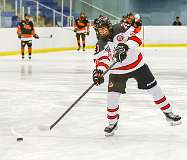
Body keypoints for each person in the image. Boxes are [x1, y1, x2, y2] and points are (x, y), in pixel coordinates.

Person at [92, 14, 182, 137]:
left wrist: (125, 46)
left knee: (155, 89)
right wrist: (99, 72)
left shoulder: (121, 27)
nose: (101, 32)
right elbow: (102, 61)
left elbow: (137, 38)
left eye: (103, 28)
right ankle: (112, 123)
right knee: (112, 98)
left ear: (109, 26)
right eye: (98, 29)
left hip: (137, 66)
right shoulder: (100, 44)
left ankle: (168, 113)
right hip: (117, 72)